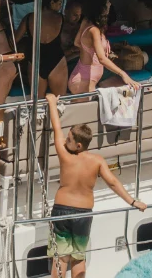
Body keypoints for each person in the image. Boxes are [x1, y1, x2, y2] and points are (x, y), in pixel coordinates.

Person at [45, 95, 145, 277]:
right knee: (78, 257)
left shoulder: (64, 155)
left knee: (60, 258)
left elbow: (56, 127)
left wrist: (52, 103)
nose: (65, 142)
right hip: (83, 214)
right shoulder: (97, 161)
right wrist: (132, 201)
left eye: (69, 140)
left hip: (61, 211)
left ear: (78, 145)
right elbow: (113, 183)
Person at [68, 0, 138, 93]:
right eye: (108, 2)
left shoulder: (86, 21)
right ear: (101, 6)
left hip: (87, 77)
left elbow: (77, 42)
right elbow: (102, 59)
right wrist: (123, 74)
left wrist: (91, 52)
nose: (110, 4)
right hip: (84, 81)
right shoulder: (94, 30)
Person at [24, 0, 71, 96]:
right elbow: (67, 39)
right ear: (51, 3)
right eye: (59, 3)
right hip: (56, 59)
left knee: (37, 103)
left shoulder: (30, 18)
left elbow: (14, 40)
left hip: (35, 60)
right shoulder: (60, 18)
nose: (60, 7)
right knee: (60, 101)